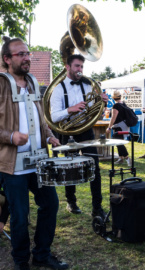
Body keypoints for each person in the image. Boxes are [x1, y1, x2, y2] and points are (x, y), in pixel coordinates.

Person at [0, 36, 68, 270]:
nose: (27, 57)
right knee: (19, 215)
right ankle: (20, 260)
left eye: (27, 53)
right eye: (21, 54)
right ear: (7, 59)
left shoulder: (31, 82)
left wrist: (49, 135)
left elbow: (39, 118)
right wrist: (10, 136)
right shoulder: (1, 84)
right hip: (12, 165)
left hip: (38, 160)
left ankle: (41, 254)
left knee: (50, 204)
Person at [50, 54, 107, 219]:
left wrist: (100, 103)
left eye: (81, 66)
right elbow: (53, 117)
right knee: (71, 169)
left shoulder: (88, 86)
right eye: (77, 66)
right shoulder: (59, 88)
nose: (80, 70)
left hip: (86, 131)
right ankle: (71, 201)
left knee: (94, 168)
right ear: (68, 67)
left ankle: (97, 207)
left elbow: (94, 110)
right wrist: (70, 109)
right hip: (68, 133)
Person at [106, 90, 131, 166]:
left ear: (113, 98)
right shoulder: (123, 103)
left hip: (119, 127)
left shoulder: (116, 106)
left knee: (118, 142)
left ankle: (127, 158)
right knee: (118, 142)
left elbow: (113, 118)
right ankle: (121, 158)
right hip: (124, 126)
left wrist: (109, 128)